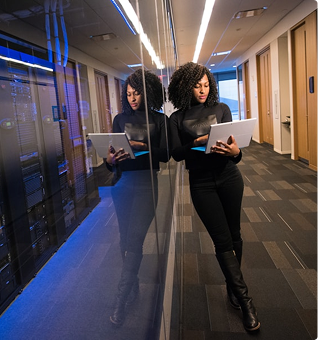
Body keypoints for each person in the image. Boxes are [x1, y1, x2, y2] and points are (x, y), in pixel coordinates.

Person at [167, 62, 260, 332]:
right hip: (201, 183)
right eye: (197, 85)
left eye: (207, 85)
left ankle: (233, 287)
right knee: (221, 241)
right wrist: (195, 143)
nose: (203, 90)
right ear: (186, 86)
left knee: (235, 235)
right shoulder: (177, 118)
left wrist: (236, 153)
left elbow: (236, 150)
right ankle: (245, 302)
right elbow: (175, 153)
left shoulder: (222, 109)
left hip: (229, 177)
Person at [105, 69, 169, 326]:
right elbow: (111, 161)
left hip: (146, 186)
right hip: (123, 185)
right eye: (129, 94)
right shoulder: (119, 119)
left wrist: (141, 147)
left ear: (147, 91)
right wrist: (110, 160)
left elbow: (165, 155)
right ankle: (133, 286)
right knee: (124, 240)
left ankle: (120, 300)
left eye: (137, 92)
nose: (132, 98)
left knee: (134, 239)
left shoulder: (159, 119)